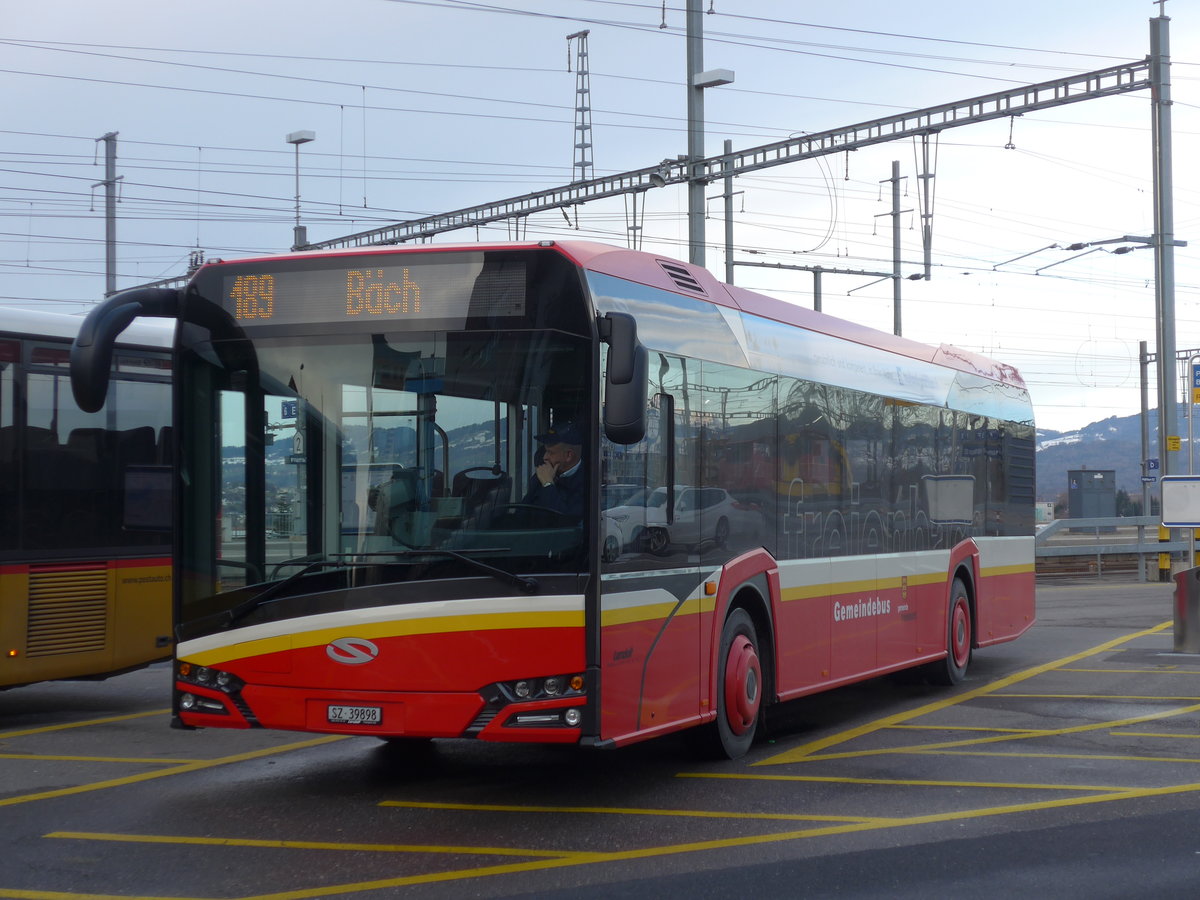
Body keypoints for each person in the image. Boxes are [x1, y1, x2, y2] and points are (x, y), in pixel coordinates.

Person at [522, 421, 585, 521]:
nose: (544, 457)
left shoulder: (587, 483)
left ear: (569, 455)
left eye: (550, 452)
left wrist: (548, 485)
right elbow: (521, 514)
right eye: (545, 450)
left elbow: (565, 522)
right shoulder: (542, 475)